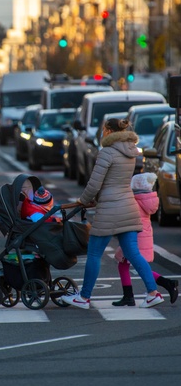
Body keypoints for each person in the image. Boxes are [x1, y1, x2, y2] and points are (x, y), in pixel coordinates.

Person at [61, 118, 164, 309]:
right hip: (128, 205)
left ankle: (84, 297)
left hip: (109, 209)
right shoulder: (131, 151)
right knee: (133, 254)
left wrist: (83, 201)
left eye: (103, 129)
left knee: (94, 253)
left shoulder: (107, 152)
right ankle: (153, 293)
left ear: (108, 130)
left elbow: (95, 183)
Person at [112, 172, 178, 306]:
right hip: (143, 236)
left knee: (135, 265)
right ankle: (128, 295)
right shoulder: (148, 200)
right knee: (124, 264)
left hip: (135, 236)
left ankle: (164, 284)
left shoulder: (134, 201)